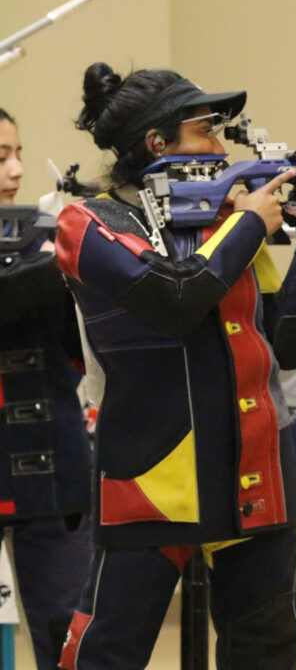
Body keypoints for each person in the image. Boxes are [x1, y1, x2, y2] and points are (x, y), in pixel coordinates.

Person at [54, 62, 296, 670]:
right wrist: (246, 225)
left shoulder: (223, 221)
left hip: (256, 462)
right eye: (206, 130)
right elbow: (175, 299)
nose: (221, 145)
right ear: (158, 143)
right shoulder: (87, 222)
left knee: (264, 651)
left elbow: (286, 342)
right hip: (156, 474)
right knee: (109, 649)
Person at [0, 107, 93, 668]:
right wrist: (60, 257)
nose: (14, 171)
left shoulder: (43, 235)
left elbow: (81, 349)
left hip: (54, 477)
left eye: (17, 154)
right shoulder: (50, 246)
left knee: (71, 639)